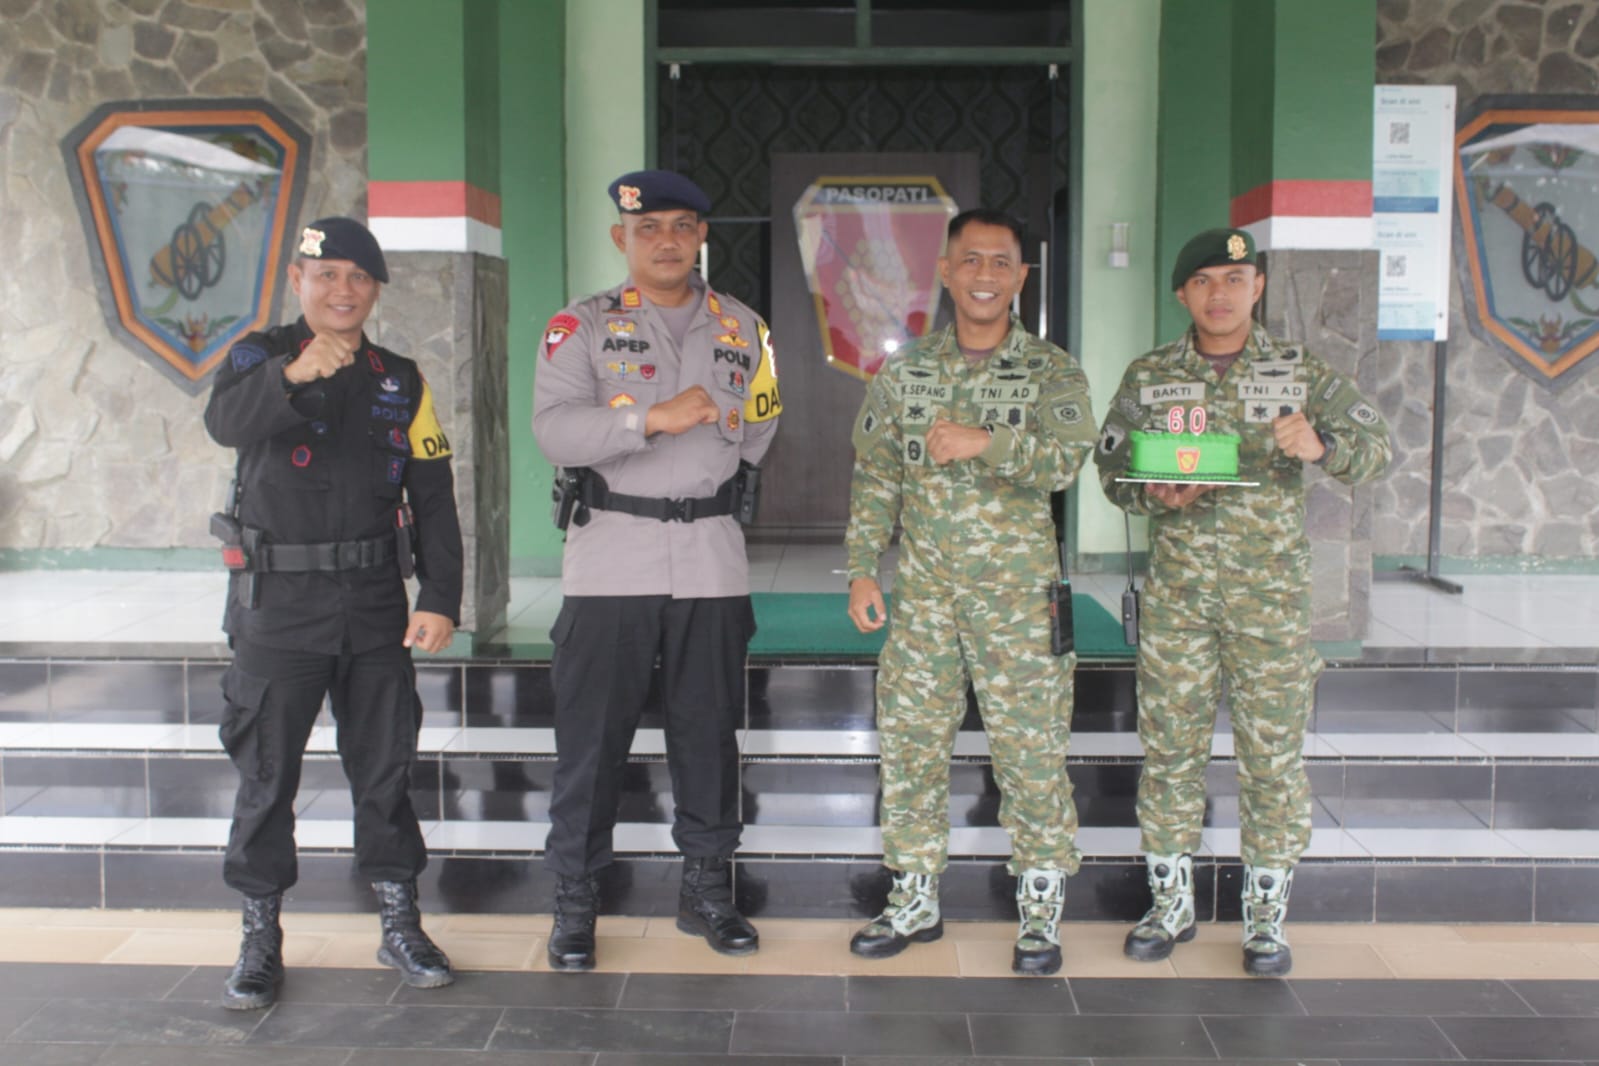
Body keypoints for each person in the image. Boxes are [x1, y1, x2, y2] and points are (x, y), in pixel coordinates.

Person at [1094, 227, 1392, 976]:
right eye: (1203, 281)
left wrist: (1318, 445)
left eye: (1234, 278)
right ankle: (1169, 904)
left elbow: (1375, 447)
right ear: (1180, 294)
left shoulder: (1297, 373)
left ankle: (1265, 916)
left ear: (1256, 287)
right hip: (1179, 600)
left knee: (1270, 758)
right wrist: (1151, 489)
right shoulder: (1151, 373)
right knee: (1169, 752)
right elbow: (1109, 467)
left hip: (1269, 602)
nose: (1218, 293)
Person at [203, 216, 462, 1009]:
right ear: (299, 281)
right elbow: (224, 426)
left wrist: (442, 596)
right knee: (267, 776)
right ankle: (259, 935)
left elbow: (434, 496)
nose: (342, 291)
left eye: (358, 278)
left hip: (375, 605)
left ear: (375, 289)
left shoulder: (402, 378)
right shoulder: (256, 356)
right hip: (277, 606)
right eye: (327, 275)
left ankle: (399, 920)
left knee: (384, 770)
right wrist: (291, 376)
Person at [532, 169, 781, 971]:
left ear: (702, 235)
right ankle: (575, 899)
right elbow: (557, 433)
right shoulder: (581, 327)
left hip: (710, 561)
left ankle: (706, 890)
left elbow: (758, 431)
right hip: (611, 559)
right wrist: (649, 420)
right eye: (649, 229)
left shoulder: (746, 327)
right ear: (622, 238)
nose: (666, 241)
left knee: (707, 735)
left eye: (681, 225)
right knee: (591, 742)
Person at [844, 208, 1095, 976]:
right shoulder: (907, 371)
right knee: (913, 748)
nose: (985, 274)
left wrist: (986, 443)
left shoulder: (1053, 371)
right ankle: (914, 895)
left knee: (1030, 754)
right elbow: (876, 473)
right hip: (924, 599)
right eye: (971, 260)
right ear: (947, 273)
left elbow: (1065, 460)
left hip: (1018, 603)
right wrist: (860, 565)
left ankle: (1041, 908)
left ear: (1020, 278)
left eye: (1001, 263)